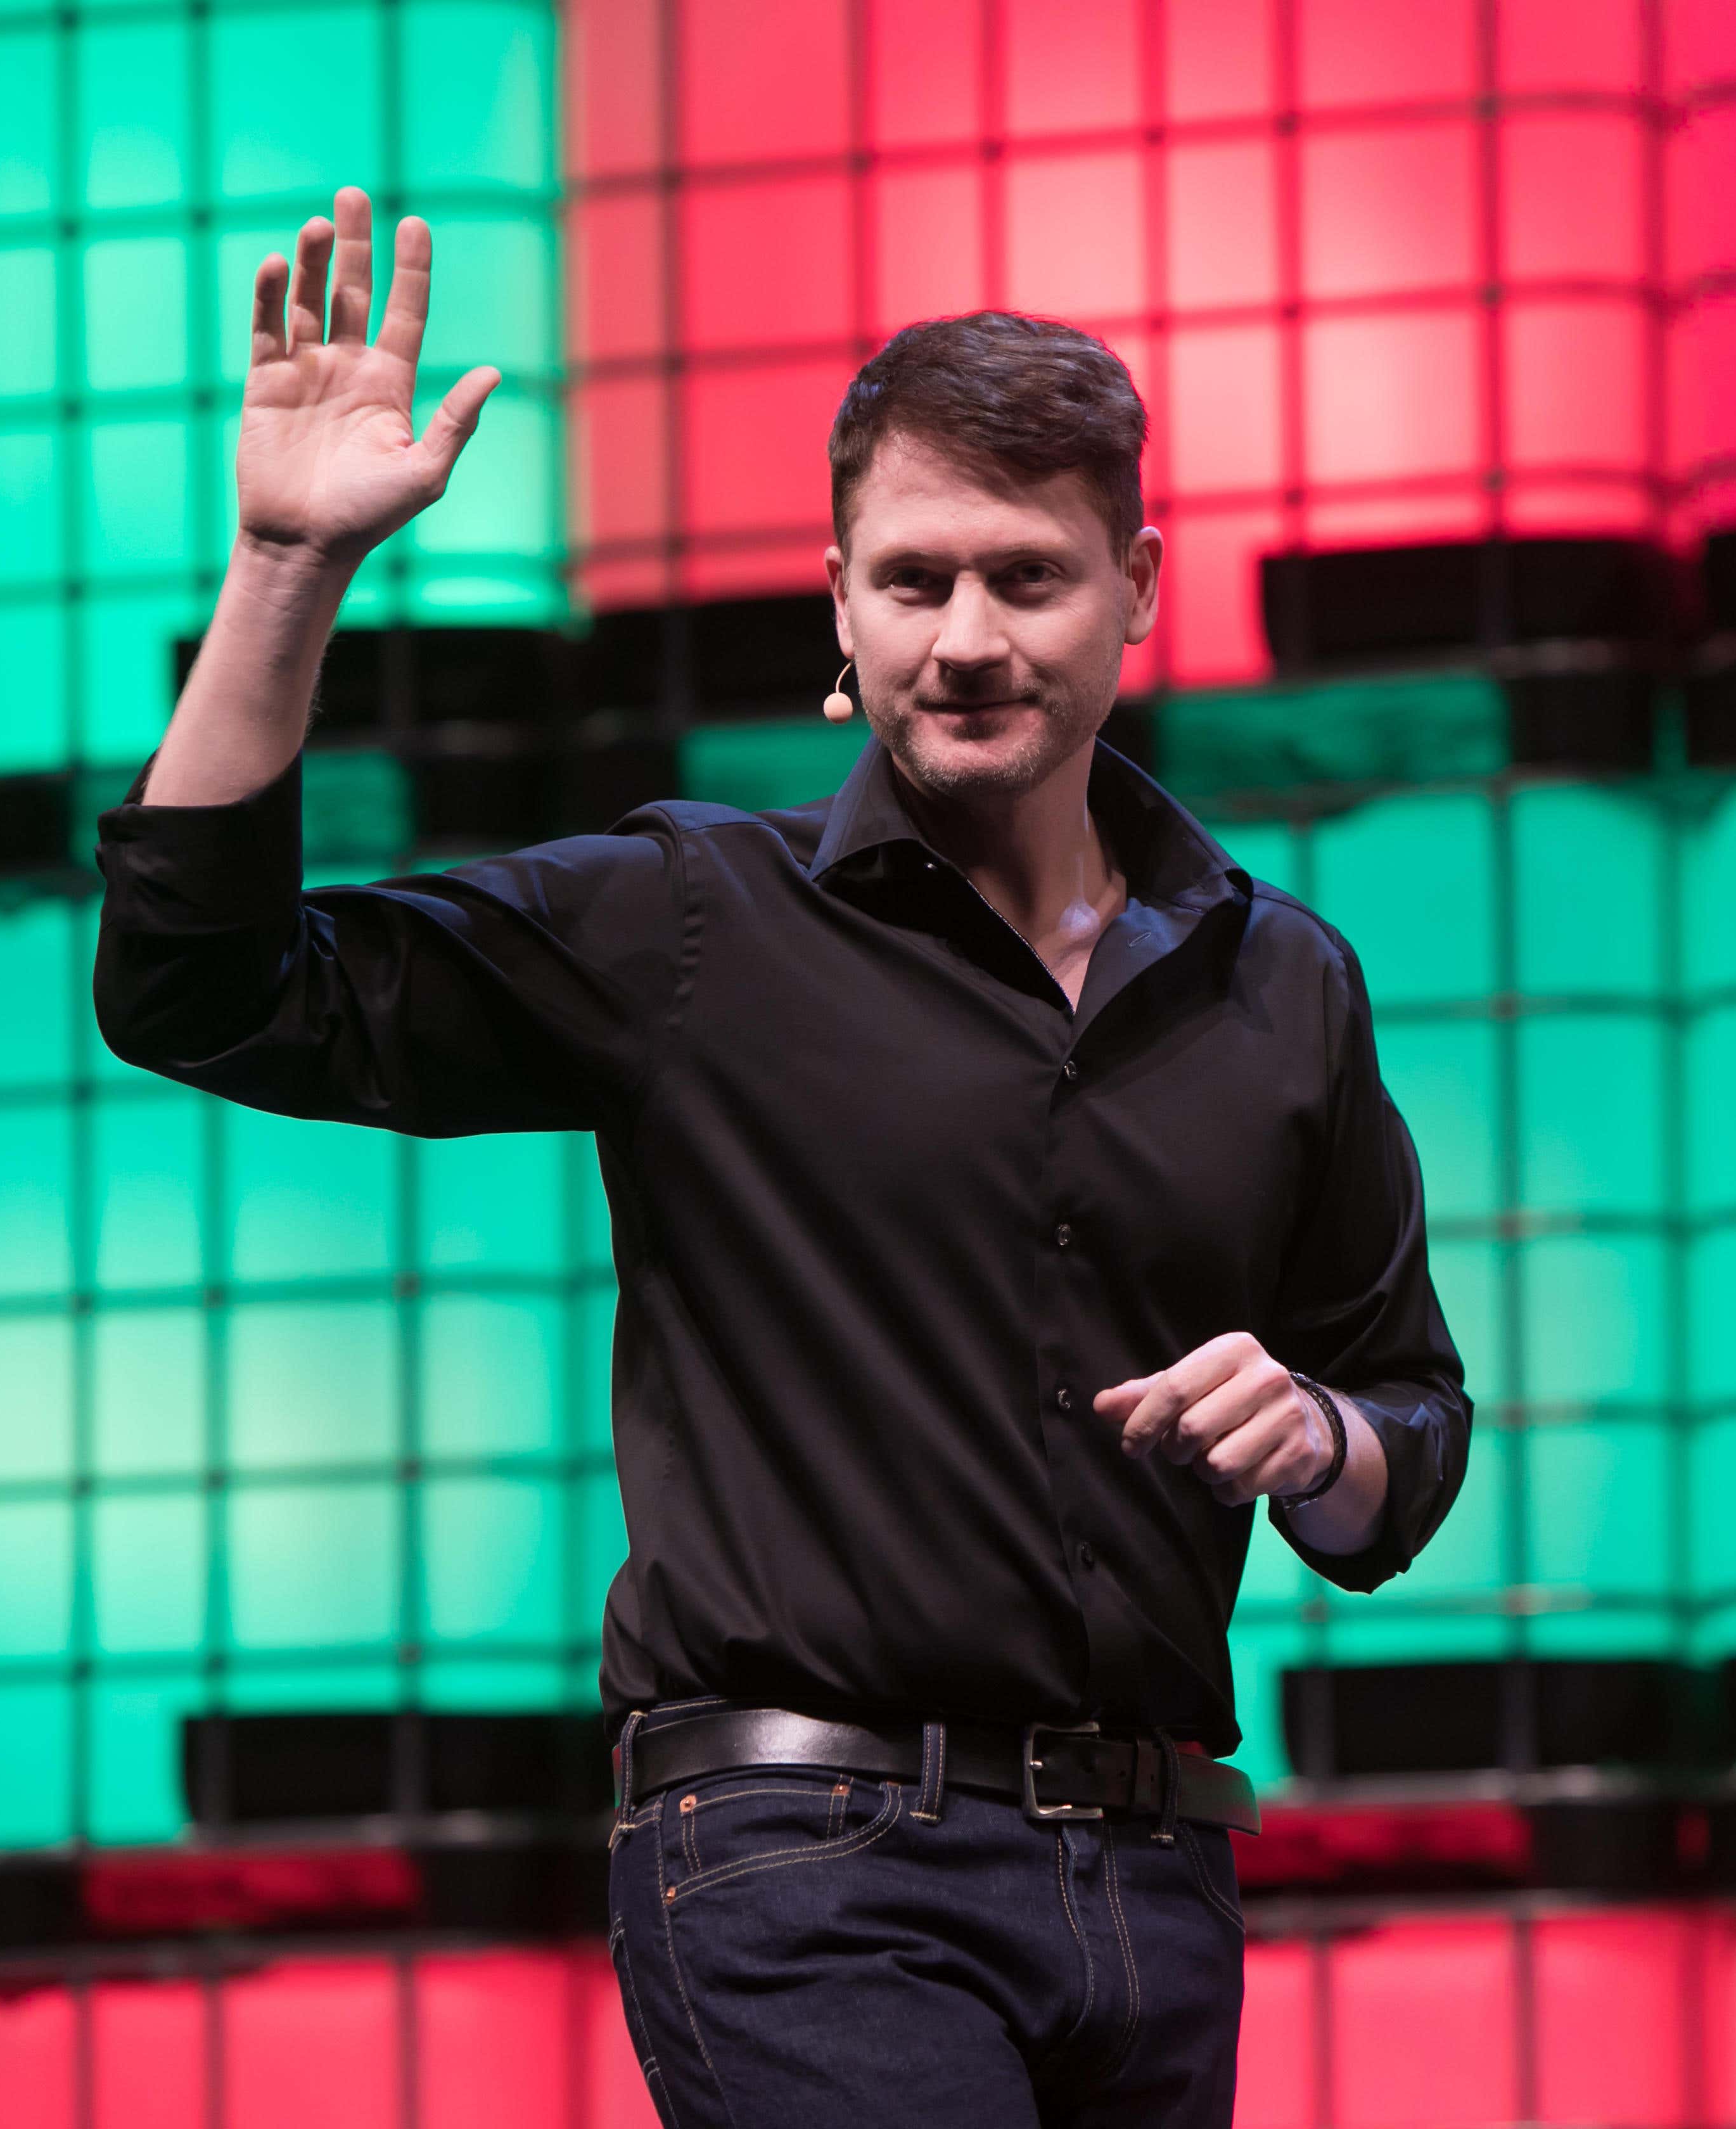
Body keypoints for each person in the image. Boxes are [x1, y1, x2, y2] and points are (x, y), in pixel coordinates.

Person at [93, 186, 1471, 2126]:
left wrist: (1320, 1437)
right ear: (838, 600)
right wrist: (282, 568)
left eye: (1027, 578)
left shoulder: (1282, 985)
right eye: (912, 583)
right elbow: (200, 989)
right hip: (807, 1863)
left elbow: (1408, 1426)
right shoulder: (691, 925)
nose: (966, 640)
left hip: (1162, 1887)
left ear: (1139, 585)